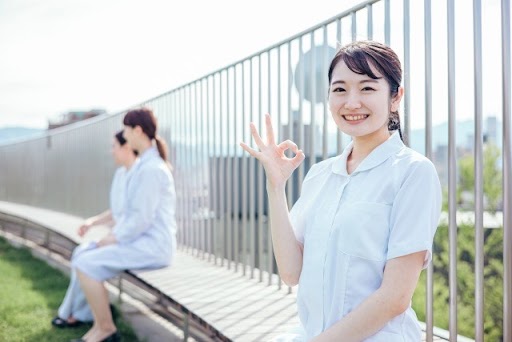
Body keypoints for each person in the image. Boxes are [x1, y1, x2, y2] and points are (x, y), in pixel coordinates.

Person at [240, 40, 442, 341]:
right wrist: (276, 186)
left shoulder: (413, 172)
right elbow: (291, 272)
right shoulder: (321, 174)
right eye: (340, 89)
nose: (351, 102)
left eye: (367, 88)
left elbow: (395, 297)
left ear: (396, 96)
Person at [71, 107, 177, 342]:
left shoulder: (152, 169)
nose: (124, 135)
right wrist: (109, 236)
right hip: (140, 242)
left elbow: (141, 219)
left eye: (127, 130)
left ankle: (105, 328)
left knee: (87, 263)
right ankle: (98, 324)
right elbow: (131, 215)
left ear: (138, 130)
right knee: (85, 258)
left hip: (153, 247)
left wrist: (112, 238)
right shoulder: (143, 166)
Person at [52, 130, 137, 329]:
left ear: (126, 147)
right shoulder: (120, 174)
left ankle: (72, 313)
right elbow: (116, 212)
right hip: (116, 237)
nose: (111, 151)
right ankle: (79, 313)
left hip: (127, 240)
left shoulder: (138, 176)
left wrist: (112, 238)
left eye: (114, 146)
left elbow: (135, 218)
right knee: (80, 253)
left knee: (84, 259)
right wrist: (92, 222)